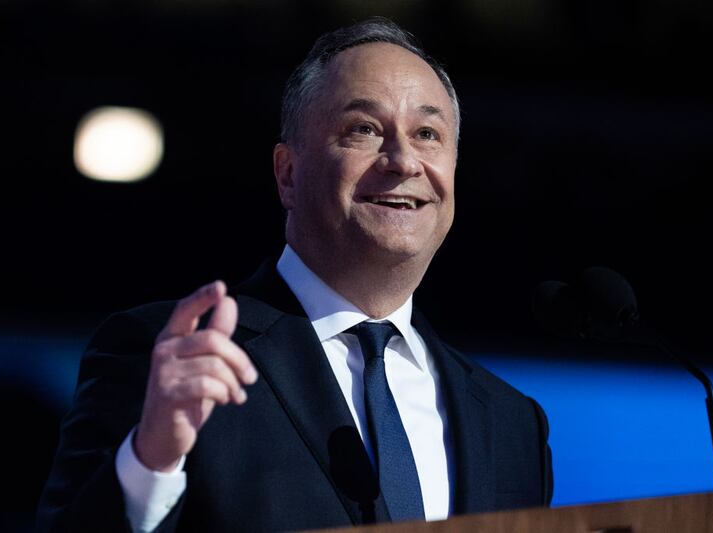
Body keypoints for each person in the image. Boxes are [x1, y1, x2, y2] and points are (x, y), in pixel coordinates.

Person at [37, 18, 553, 532]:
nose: (403, 161)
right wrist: (150, 460)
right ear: (288, 173)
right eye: (365, 130)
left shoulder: (510, 424)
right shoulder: (175, 359)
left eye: (427, 134)